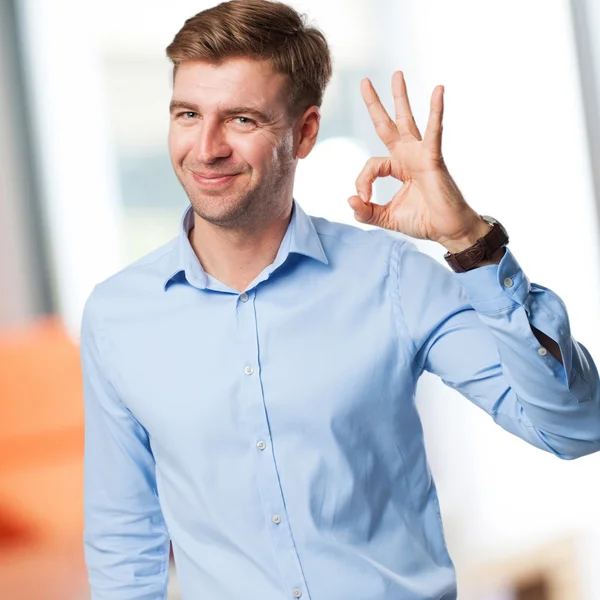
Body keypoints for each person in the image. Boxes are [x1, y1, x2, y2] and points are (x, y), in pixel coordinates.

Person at [80, 1, 600, 598]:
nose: (207, 147)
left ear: (304, 133)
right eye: (188, 113)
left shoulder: (394, 280)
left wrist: (469, 240)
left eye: (242, 119)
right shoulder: (118, 317)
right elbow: (125, 536)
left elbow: (575, 428)